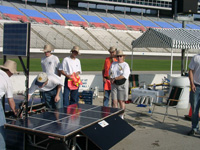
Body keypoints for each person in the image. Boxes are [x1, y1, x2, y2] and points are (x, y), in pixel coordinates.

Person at [0, 60, 18, 150]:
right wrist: (15, 111)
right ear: (10, 71)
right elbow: (10, 100)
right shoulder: (7, 79)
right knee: (1, 128)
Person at [110, 50, 130, 119]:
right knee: (114, 101)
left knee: (121, 101)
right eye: (118, 56)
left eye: (120, 56)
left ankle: (121, 116)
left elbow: (124, 76)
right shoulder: (113, 64)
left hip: (122, 84)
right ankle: (115, 116)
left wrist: (115, 78)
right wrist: (111, 79)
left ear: (123, 57)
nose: (119, 57)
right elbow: (111, 73)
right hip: (114, 84)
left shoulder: (125, 65)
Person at [188, 54, 200, 135]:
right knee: (195, 109)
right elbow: (191, 71)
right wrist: (192, 84)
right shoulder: (196, 58)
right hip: (196, 86)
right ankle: (194, 128)